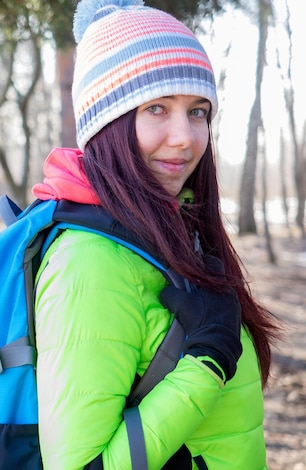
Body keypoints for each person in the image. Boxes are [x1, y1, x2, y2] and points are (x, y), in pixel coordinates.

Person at [31, 0, 280, 468]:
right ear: (109, 122)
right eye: (157, 108)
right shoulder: (89, 262)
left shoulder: (175, 233)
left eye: (198, 111)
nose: (185, 136)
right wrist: (206, 362)